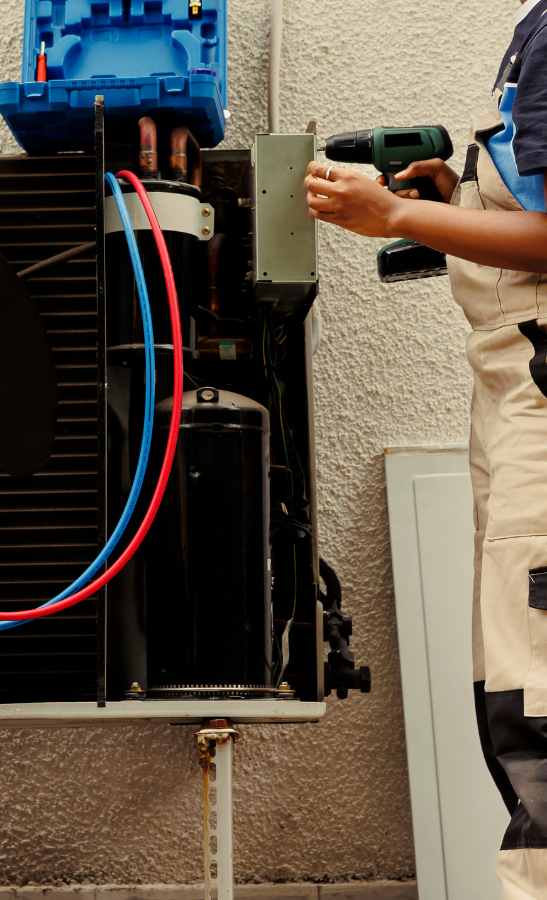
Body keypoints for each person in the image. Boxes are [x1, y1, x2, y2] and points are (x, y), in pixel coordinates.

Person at [304, 0, 547, 892]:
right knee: (511, 684)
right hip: (516, 382)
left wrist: (396, 219)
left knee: (540, 704)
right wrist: (462, 196)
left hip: (543, 390)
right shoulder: (537, 29)